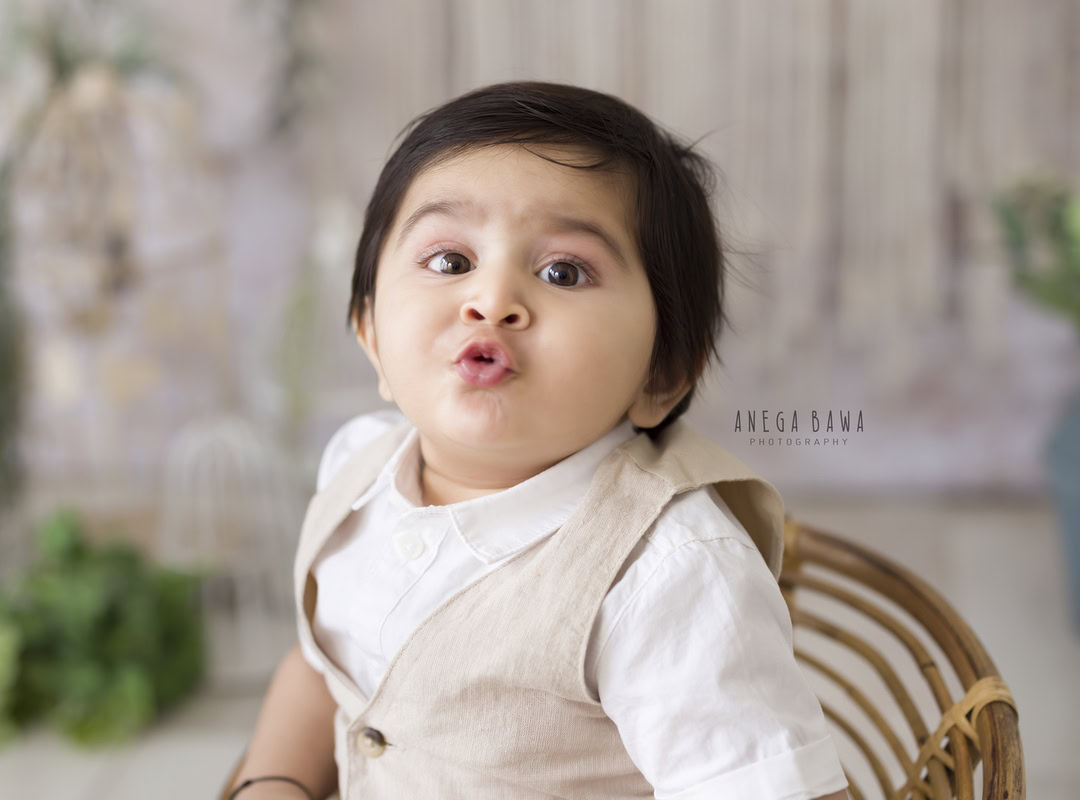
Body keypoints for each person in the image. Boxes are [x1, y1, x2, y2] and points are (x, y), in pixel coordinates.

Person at [229, 81, 852, 799]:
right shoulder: (358, 473)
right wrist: (271, 783)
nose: (491, 299)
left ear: (663, 375)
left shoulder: (665, 575)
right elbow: (323, 668)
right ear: (370, 334)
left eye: (563, 271)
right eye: (450, 261)